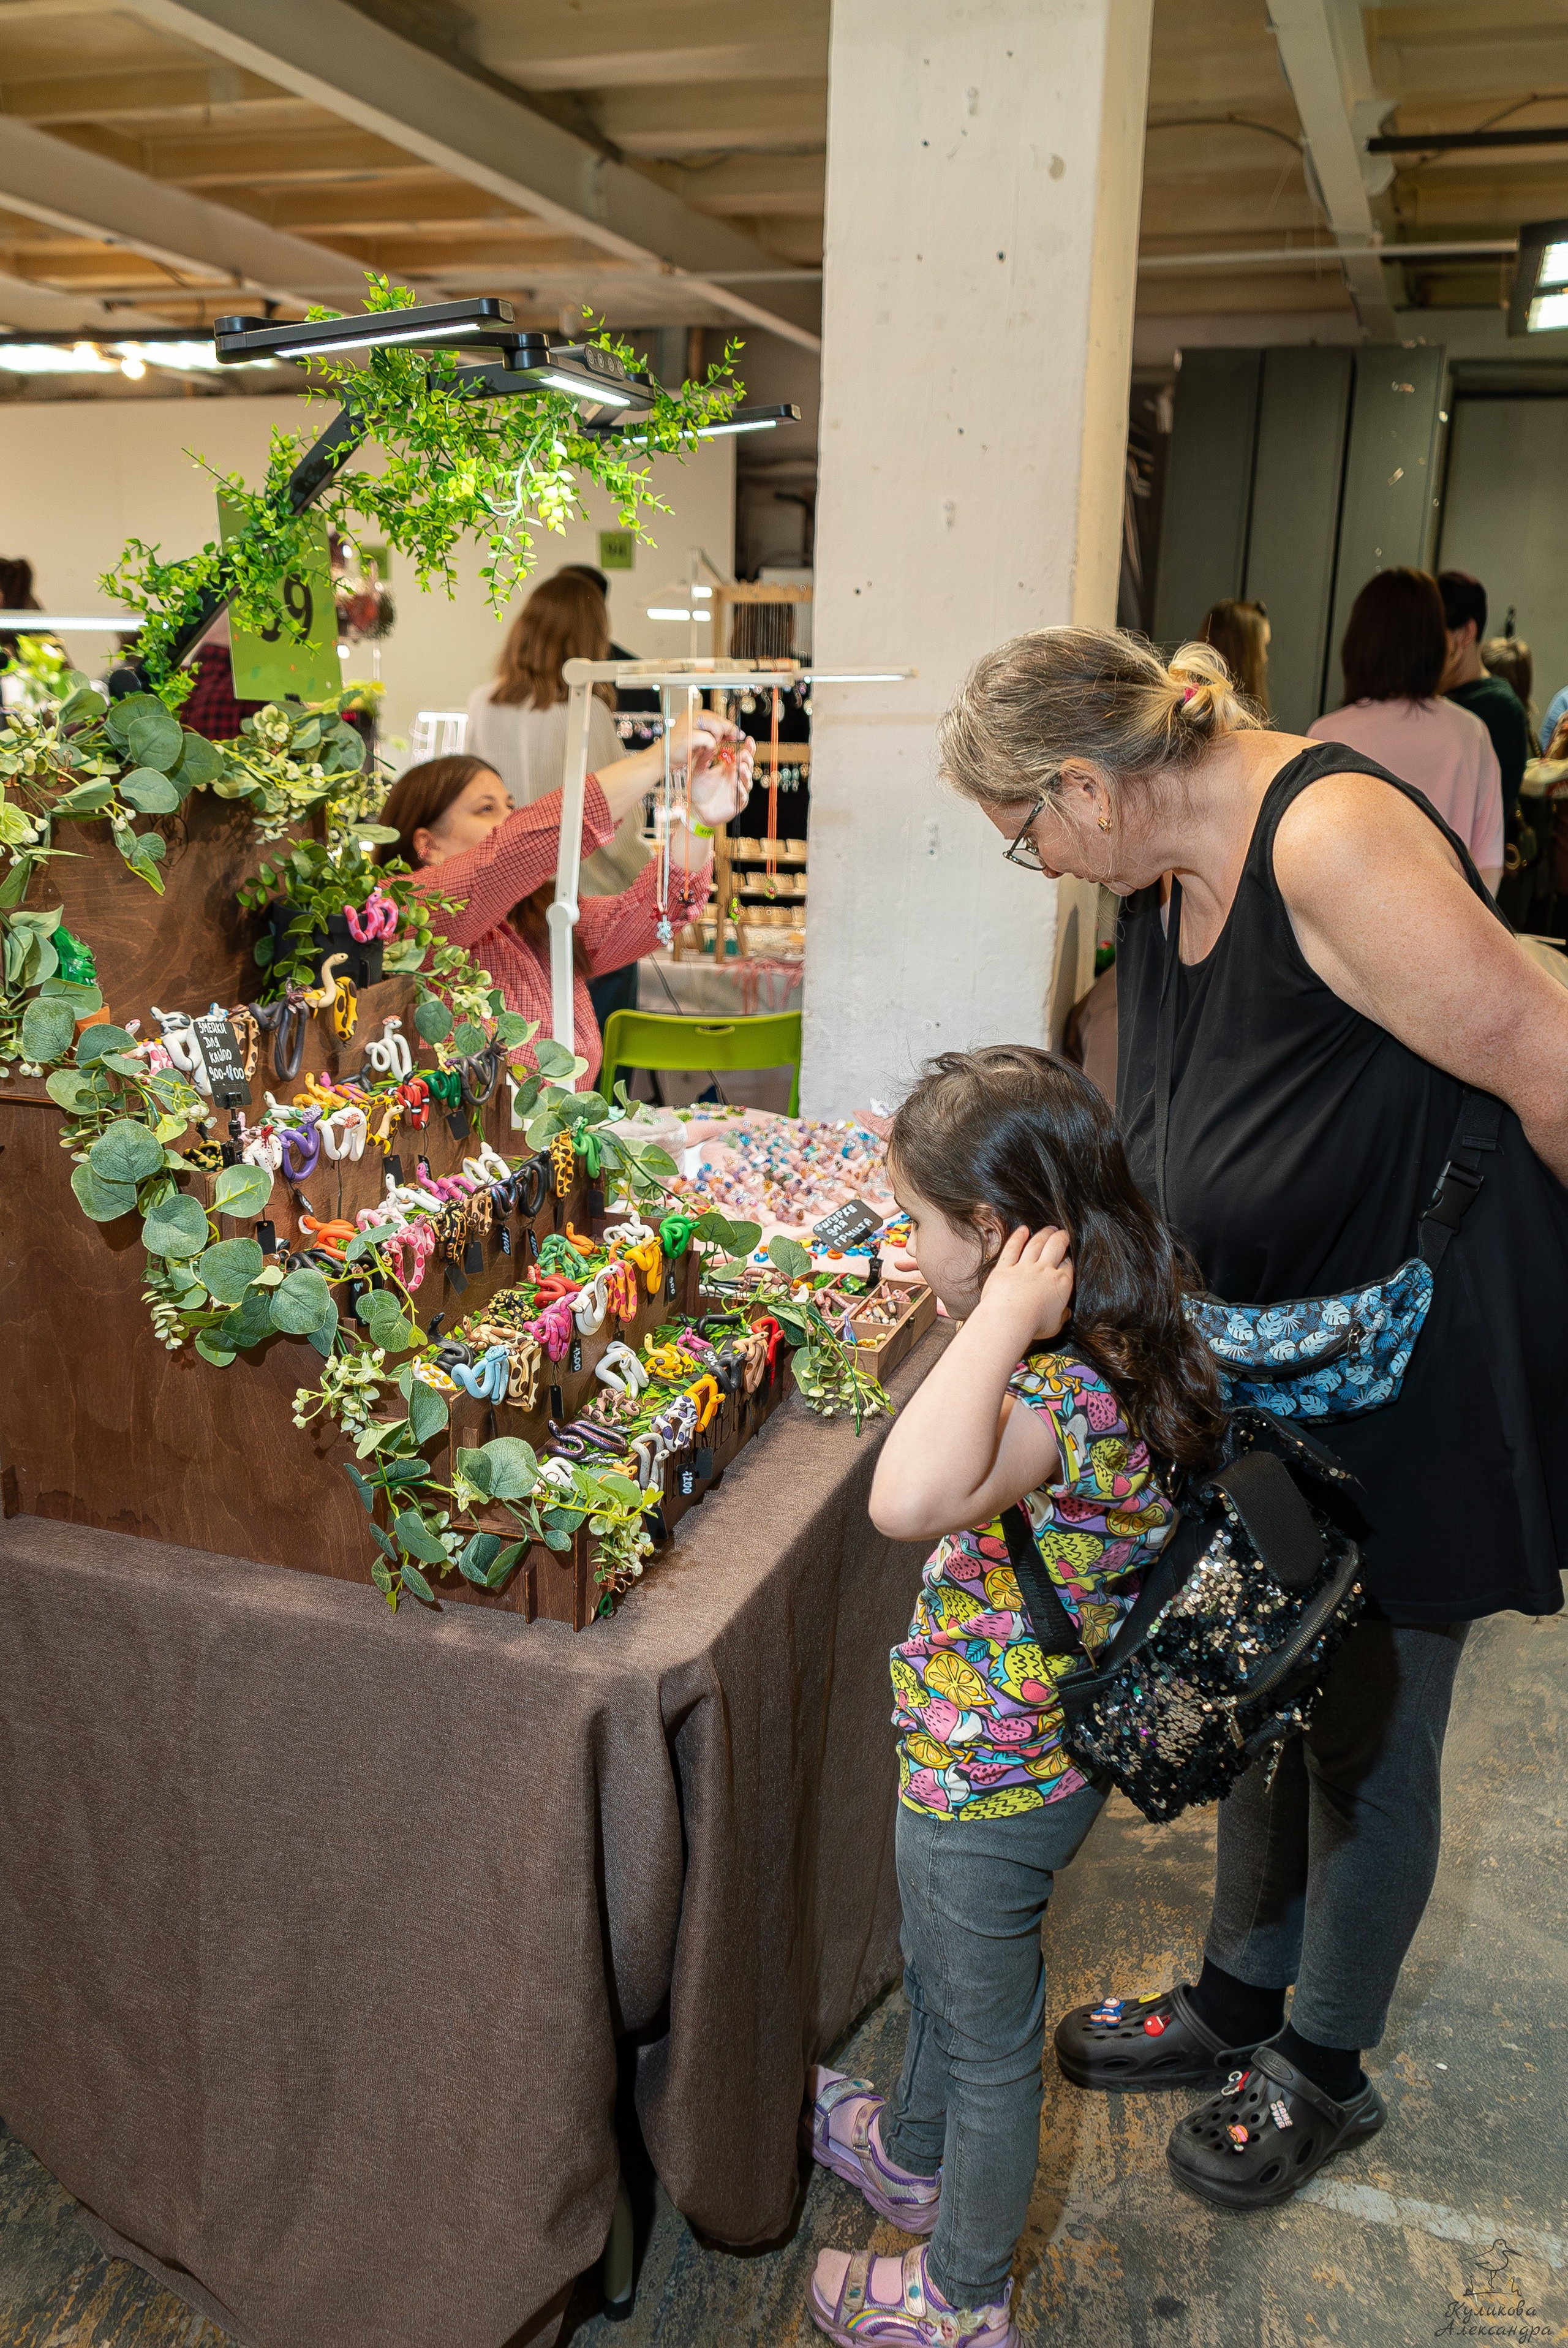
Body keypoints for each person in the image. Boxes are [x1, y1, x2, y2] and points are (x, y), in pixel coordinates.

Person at [930, 627, 1568, 2217]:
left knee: (1373, 1736)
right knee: (1264, 1684)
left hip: (1415, 1368)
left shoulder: (1330, 838)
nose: (1035, 862)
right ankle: (1237, 1994)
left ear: (1087, 785)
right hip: (1279, 1379)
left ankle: (1325, 2059)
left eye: (1023, 834)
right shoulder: (1163, 883)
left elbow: (1547, 1058)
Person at [802, 1048, 1224, 2348]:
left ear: (993, 1231)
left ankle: (961, 2291)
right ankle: (911, 2148)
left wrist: (986, 1322)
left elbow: (902, 1497)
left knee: (988, 2040)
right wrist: (989, 1310)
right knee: (941, 1976)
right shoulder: (1118, 1328)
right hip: (1028, 1753)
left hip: (990, 1775)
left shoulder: (1053, 1393)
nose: (907, 1245)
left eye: (919, 1221)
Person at [377, 713, 752, 1087]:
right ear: (428, 844)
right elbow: (511, 851)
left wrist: (699, 822)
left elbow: (645, 918)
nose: (510, 819)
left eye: (510, 806)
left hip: (565, 1124)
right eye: (487, 809)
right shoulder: (408, 913)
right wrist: (658, 758)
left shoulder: (533, 917)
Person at [465, 569, 647, 1032]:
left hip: (504, 915)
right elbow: (616, 827)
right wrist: (655, 881)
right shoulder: (588, 714)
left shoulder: (482, 705)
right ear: (590, 640)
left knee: (519, 1052)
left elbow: (469, 807)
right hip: (583, 917)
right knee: (593, 1057)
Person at [1310, 567, 1504, 891]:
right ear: (1435, 643)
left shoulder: (1326, 736)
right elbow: (1489, 866)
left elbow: (1307, 861)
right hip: (1445, 918)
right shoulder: (1471, 734)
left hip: (1347, 919)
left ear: (1359, 641)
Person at [1438, 570, 1529, 832]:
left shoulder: (1499, 711)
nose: (1425, 648)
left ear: (1466, 632)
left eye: (1435, 634)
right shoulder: (1434, 695)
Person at [1200, 598, 1270, 714]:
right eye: (1262, 648)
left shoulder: (1190, 701)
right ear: (1243, 653)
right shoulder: (1228, 717)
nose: (1265, 657)